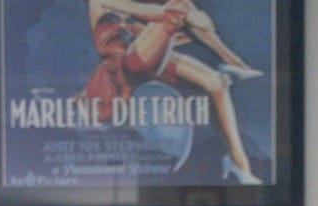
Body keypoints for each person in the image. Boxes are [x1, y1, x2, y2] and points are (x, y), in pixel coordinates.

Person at [81, 0, 262, 183]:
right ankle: (232, 61)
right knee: (177, 9)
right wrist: (187, 18)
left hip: (141, 58)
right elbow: (143, 11)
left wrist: (178, 29)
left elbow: (141, 28)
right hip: (124, 68)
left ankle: (239, 165)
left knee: (217, 83)